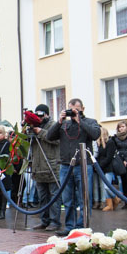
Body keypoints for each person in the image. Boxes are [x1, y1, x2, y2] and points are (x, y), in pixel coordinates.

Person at [46, 98, 100, 236]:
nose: (73, 111)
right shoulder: (64, 124)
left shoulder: (90, 122)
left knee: (84, 198)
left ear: (83, 108)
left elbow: (95, 135)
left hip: (83, 165)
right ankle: (70, 226)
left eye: (76, 108)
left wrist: (79, 120)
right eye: (71, 109)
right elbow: (49, 136)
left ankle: (83, 226)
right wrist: (59, 121)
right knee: (67, 199)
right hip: (66, 166)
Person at [29, 104, 62, 232]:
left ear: (47, 114)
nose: (39, 118)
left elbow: (56, 140)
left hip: (52, 167)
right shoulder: (34, 126)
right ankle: (44, 221)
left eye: (41, 115)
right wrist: (27, 129)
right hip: (38, 168)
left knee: (54, 197)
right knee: (43, 198)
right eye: (37, 115)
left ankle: (55, 222)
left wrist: (40, 132)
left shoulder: (54, 125)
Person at [97, 126, 120, 211]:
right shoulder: (99, 143)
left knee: (107, 187)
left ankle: (116, 198)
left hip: (108, 168)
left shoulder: (110, 142)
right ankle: (109, 204)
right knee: (104, 187)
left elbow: (109, 157)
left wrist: (100, 165)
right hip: (102, 168)